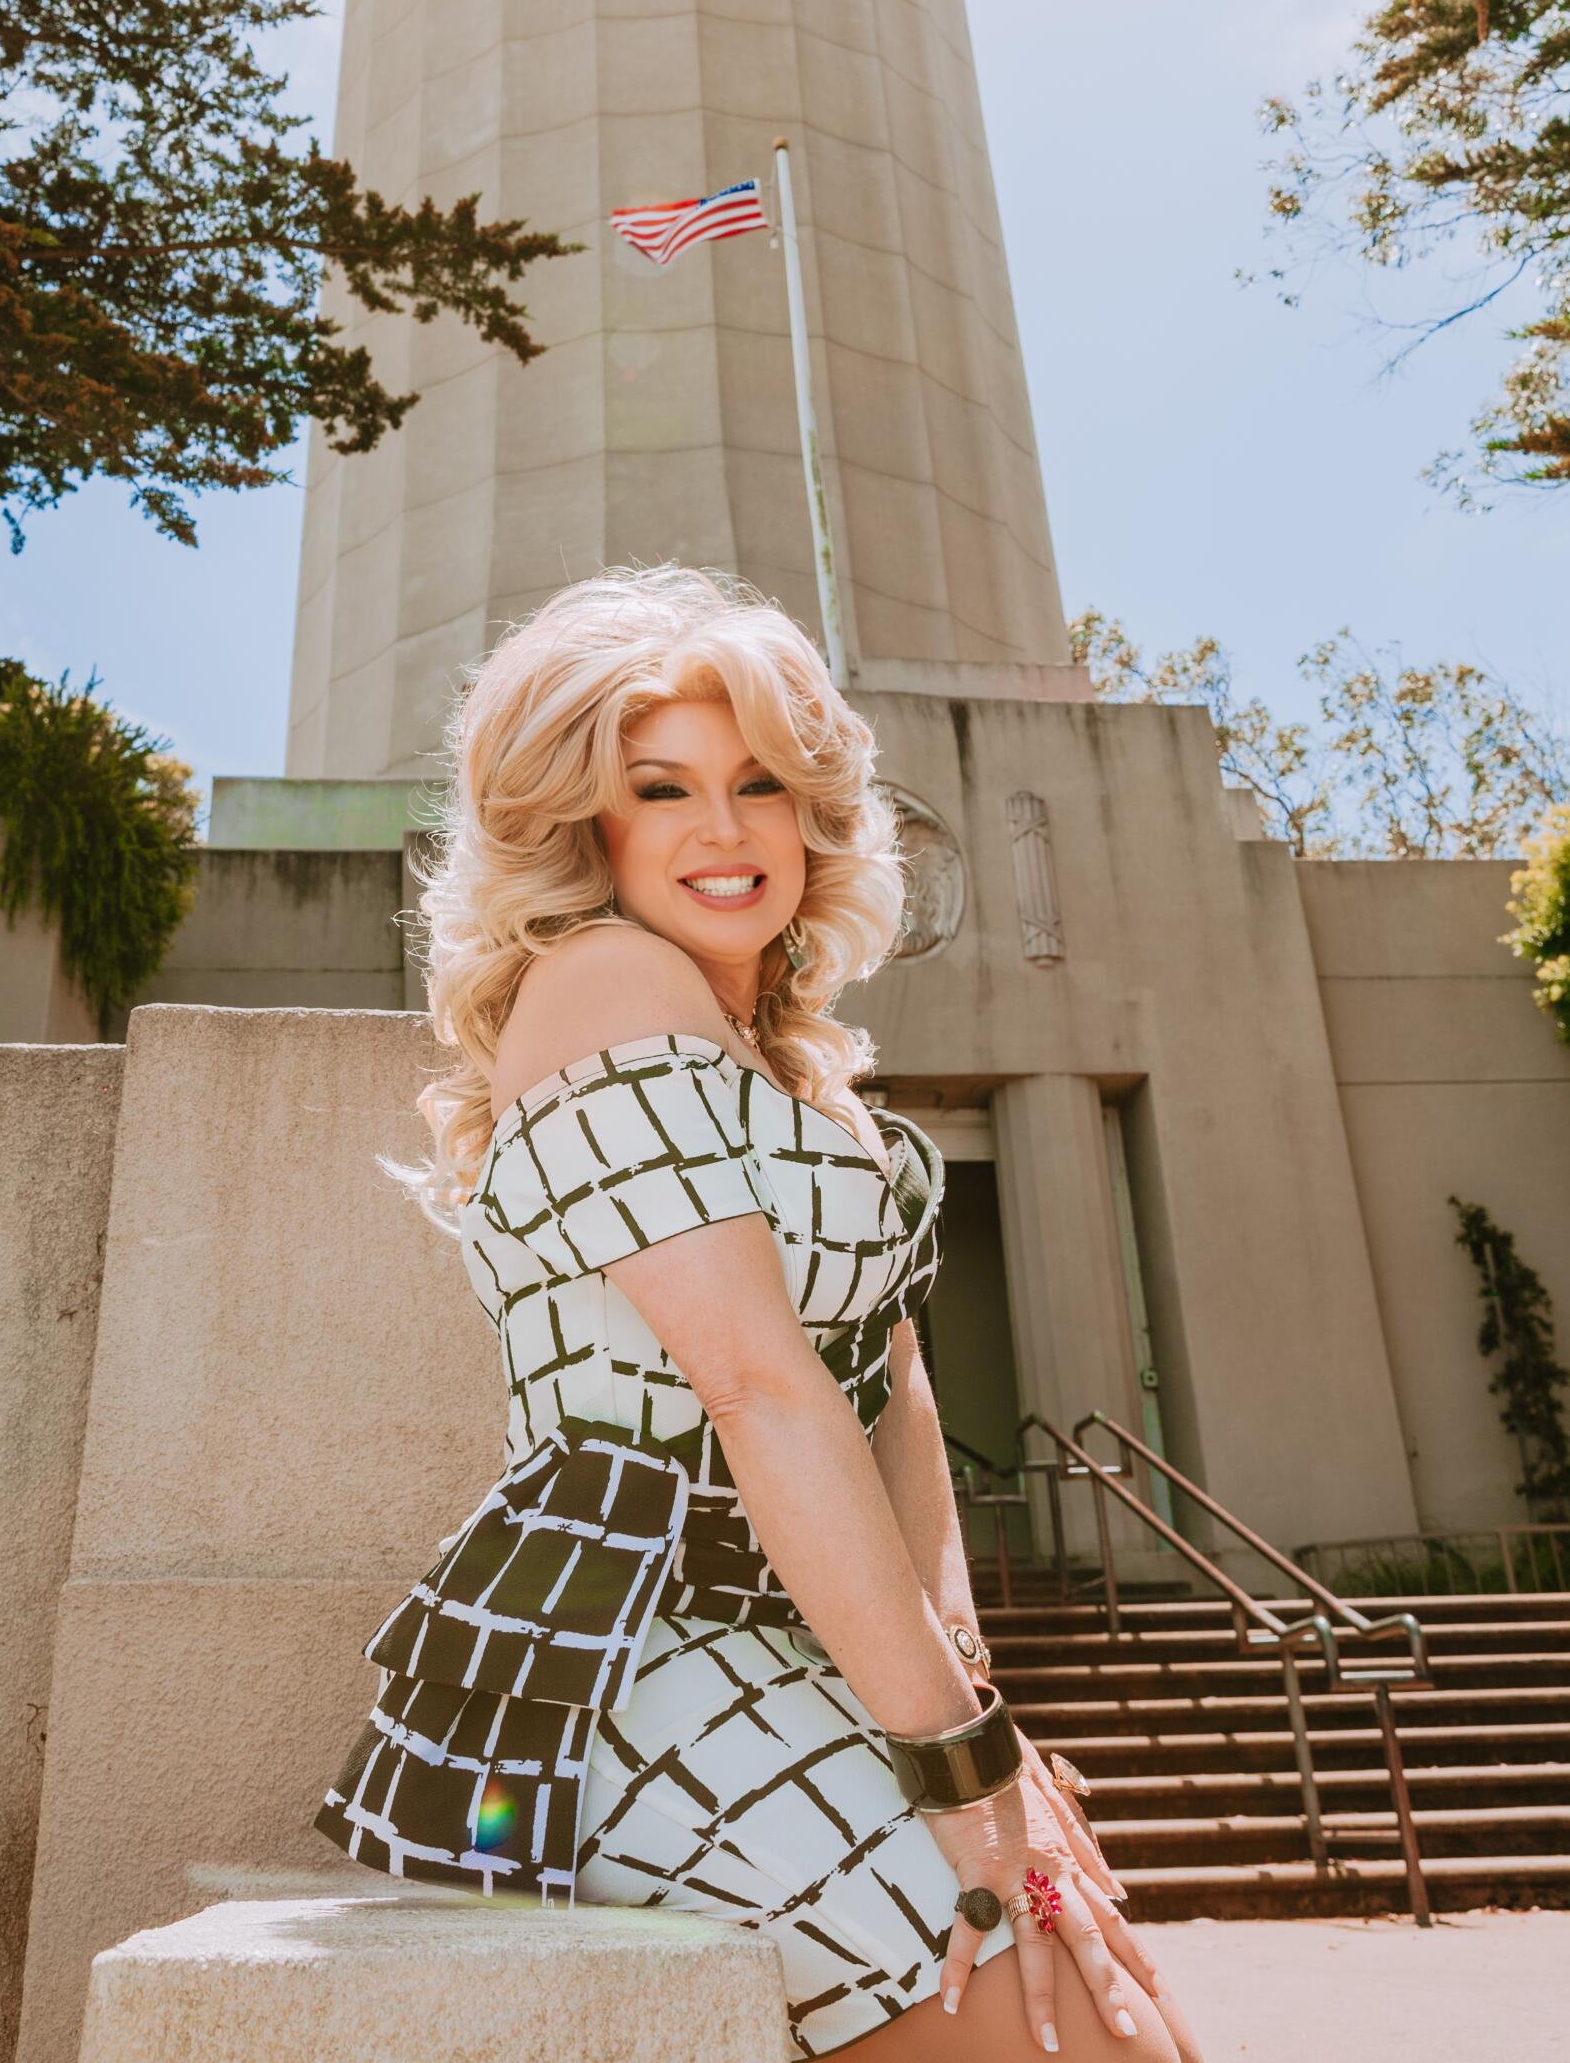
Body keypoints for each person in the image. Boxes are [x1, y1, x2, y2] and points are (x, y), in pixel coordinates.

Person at [319, 565, 1205, 2061]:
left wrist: (988, 1726)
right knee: (1057, 2033)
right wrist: (959, 1767)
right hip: (626, 1654)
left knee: (1109, 1993)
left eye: (758, 785)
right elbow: (761, 1389)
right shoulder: (602, 980)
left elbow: (895, 1408)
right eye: (661, 790)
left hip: (829, 1650)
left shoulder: (806, 1075)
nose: (724, 833)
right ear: (584, 824)